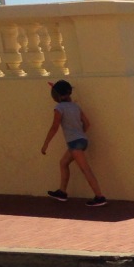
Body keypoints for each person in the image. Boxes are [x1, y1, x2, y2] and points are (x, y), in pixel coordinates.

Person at [41, 79, 106, 207]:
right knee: (63, 163)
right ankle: (62, 192)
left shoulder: (59, 108)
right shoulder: (76, 106)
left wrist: (46, 144)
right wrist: (80, 134)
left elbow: (55, 126)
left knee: (85, 169)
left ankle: (100, 197)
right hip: (81, 140)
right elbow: (87, 124)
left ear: (57, 95)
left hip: (74, 142)